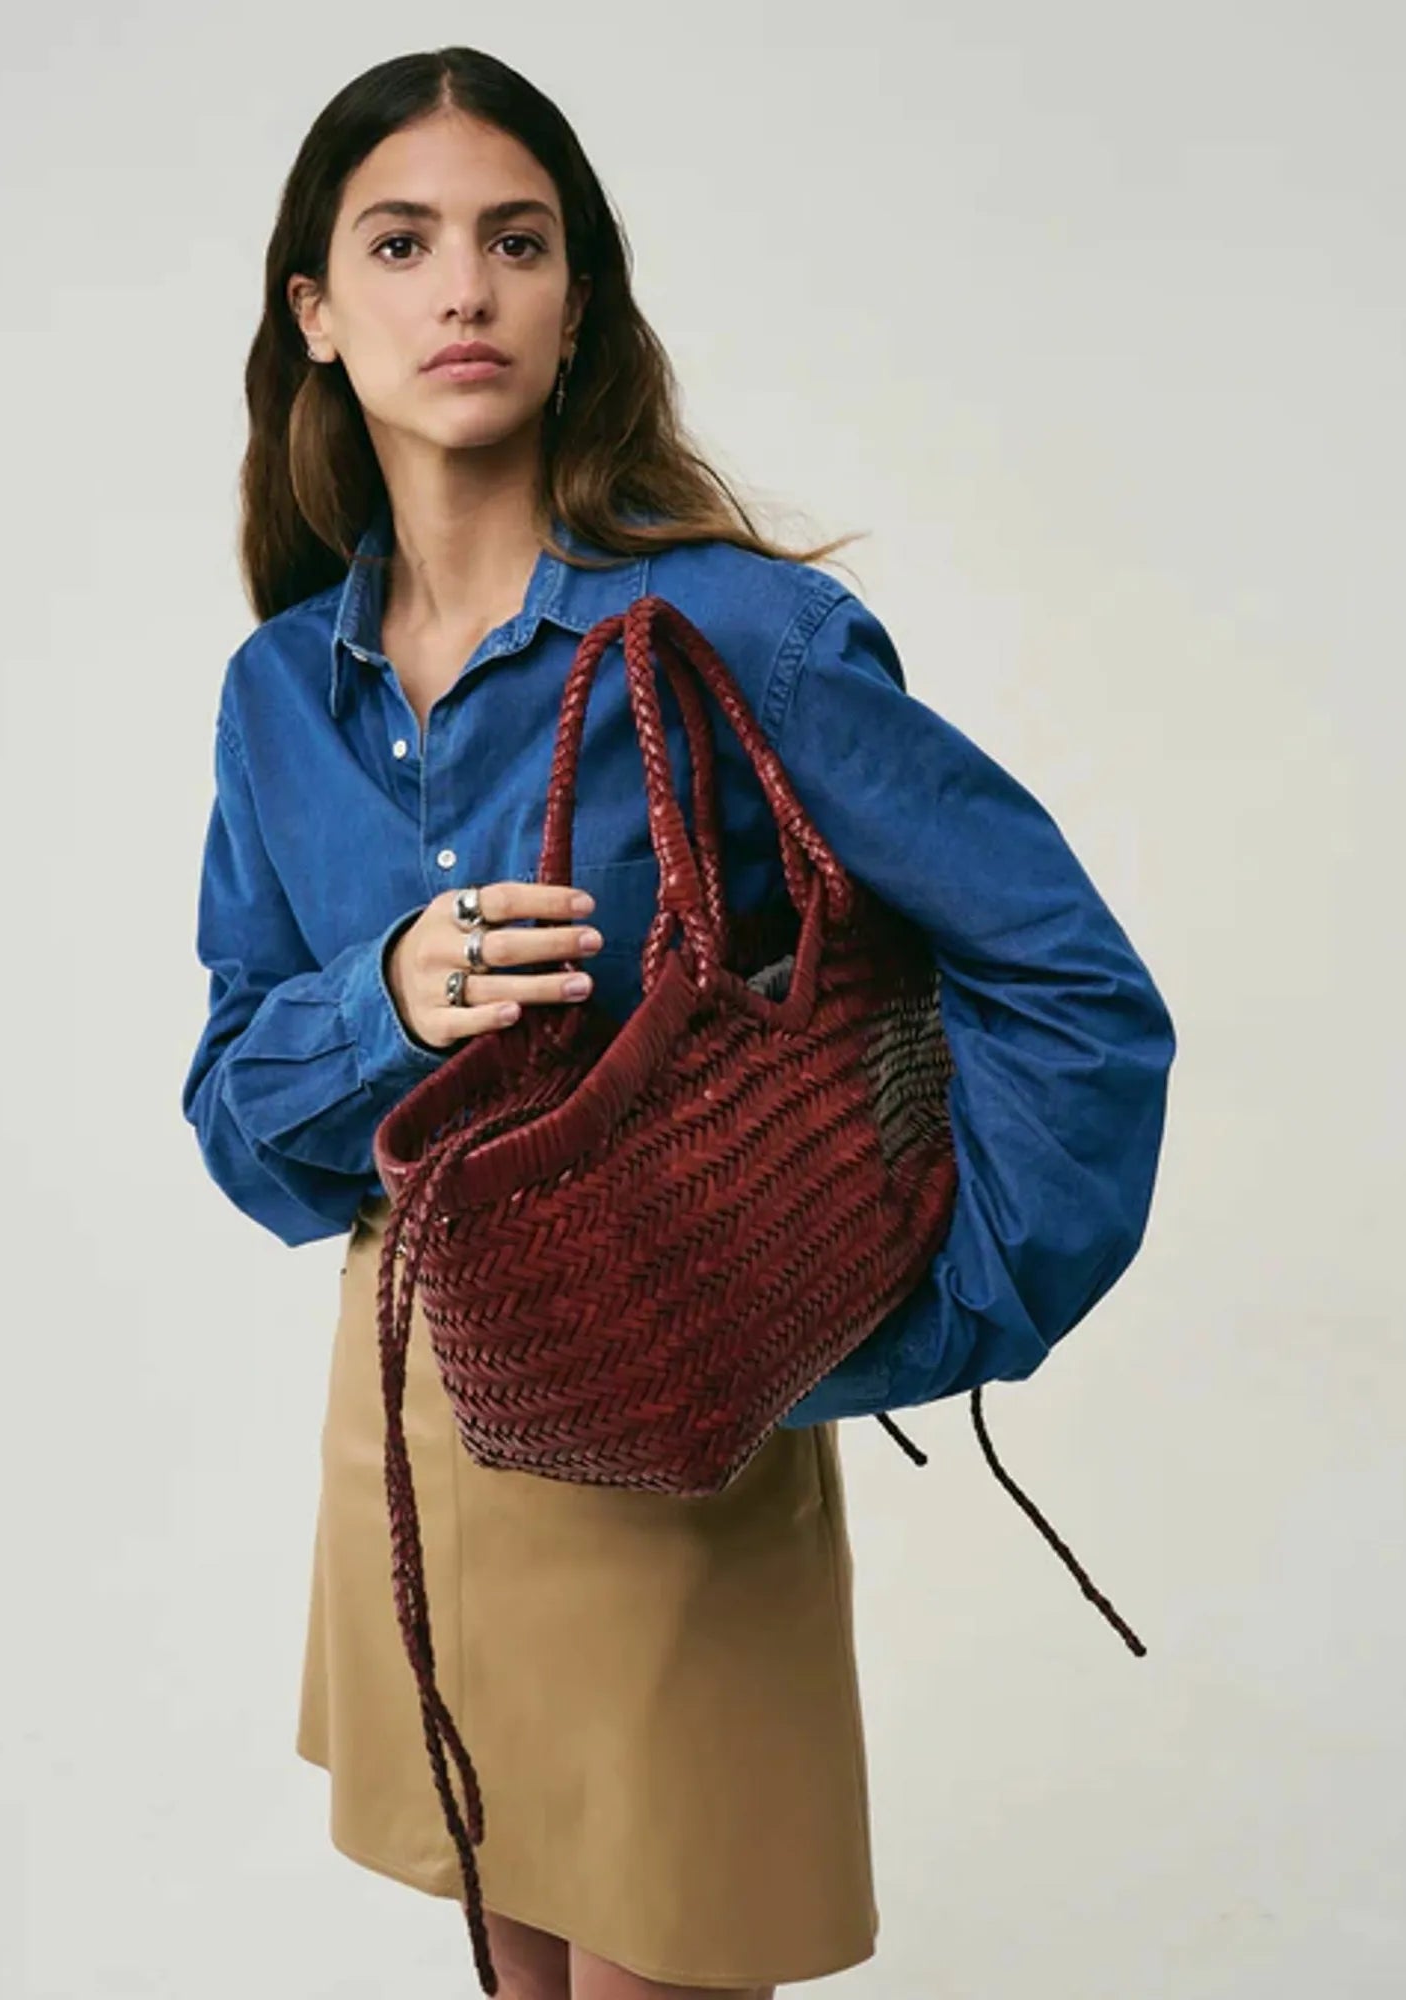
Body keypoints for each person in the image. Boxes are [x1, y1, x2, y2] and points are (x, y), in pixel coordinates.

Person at [179, 46, 1175, 2000]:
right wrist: (386, 1003)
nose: (463, 290)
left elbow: (1070, 987)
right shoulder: (279, 691)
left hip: (671, 1439)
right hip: (408, 1429)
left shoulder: (733, 637)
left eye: (515, 241)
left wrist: (889, 1323)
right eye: (402, 244)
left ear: (577, 301)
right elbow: (238, 1123)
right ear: (316, 311)